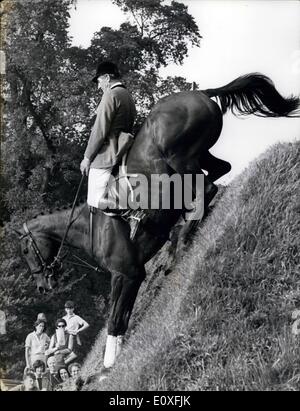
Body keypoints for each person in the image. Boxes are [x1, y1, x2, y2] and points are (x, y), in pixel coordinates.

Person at [80, 61, 137, 211]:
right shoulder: (127, 96)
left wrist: (87, 158)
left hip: (108, 153)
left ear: (106, 77)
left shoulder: (110, 95)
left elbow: (99, 130)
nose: (99, 86)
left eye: (99, 81)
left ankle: (131, 211)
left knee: (94, 199)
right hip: (126, 148)